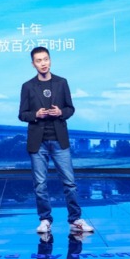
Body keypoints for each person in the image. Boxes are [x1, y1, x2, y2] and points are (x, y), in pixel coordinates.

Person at [18, 46, 94, 234]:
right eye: (38, 61)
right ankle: (45, 220)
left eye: (45, 59)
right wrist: (35, 114)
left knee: (69, 182)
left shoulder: (62, 83)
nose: (43, 63)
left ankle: (75, 220)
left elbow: (70, 109)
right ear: (33, 64)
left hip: (59, 140)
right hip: (38, 142)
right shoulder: (27, 86)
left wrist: (61, 112)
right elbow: (22, 114)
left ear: (50, 60)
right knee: (40, 184)